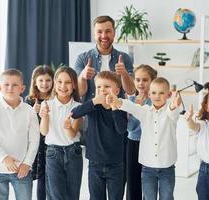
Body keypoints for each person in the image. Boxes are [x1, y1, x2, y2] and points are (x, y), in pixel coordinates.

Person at [106, 77, 182, 200]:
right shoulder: (145, 111)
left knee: (167, 196)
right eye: (154, 93)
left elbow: (173, 113)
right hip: (148, 168)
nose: (157, 96)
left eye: (161, 93)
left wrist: (174, 106)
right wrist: (117, 101)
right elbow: (131, 107)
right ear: (149, 94)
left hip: (167, 167)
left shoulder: (170, 113)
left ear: (169, 95)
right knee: (148, 197)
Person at [0, 69, 40, 200]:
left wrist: (27, 163)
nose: (10, 88)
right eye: (6, 84)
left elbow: (34, 140)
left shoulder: (29, 111)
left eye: (15, 85)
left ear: (22, 88)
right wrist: (4, 157)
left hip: (22, 169)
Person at [71, 71, 128, 200]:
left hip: (116, 164)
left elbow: (121, 129)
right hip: (94, 163)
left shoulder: (121, 107)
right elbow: (74, 114)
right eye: (98, 87)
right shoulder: (92, 107)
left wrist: (114, 107)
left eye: (107, 86)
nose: (102, 90)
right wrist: (94, 101)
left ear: (117, 91)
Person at [39, 66, 83, 200]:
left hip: (73, 153)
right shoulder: (46, 104)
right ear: (54, 83)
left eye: (68, 82)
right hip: (53, 153)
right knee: (55, 195)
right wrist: (45, 116)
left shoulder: (78, 107)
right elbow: (44, 131)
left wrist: (68, 127)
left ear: (74, 85)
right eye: (59, 82)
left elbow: (72, 135)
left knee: (72, 195)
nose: (63, 86)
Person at [125, 64, 157, 200]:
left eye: (145, 80)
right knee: (133, 180)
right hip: (133, 144)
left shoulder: (155, 101)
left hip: (150, 145)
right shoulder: (129, 101)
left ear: (152, 81)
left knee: (149, 183)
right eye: (138, 80)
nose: (141, 83)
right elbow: (131, 128)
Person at [25, 65, 54, 200]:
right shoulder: (29, 100)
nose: (44, 84)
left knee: (51, 177)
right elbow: (24, 126)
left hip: (52, 143)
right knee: (40, 177)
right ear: (35, 82)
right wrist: (33, 113)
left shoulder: (55, 99)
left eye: (48, 80)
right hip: (36, 145)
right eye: (40, 80)